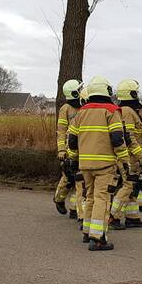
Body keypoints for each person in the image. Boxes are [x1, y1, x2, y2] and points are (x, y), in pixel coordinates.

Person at [66, 76, 130, 251]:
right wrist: (125, 161)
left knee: (90, 197)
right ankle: (98, 238)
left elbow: (71, 140)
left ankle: (87, 232)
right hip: (105, 165)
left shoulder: (80, 113)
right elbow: (118, 139)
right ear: (107, 91)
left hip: (85, 164)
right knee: (102, 198)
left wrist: (73, 159)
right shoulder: (111, 111)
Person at [109, 79, 142, 230]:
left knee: (132, 187)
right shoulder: (127, 112)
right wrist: (140, 155)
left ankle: (132, 217)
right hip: (130, 158)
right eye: (136, 92)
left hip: (134, 157)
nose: (138, 95)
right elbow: (129, 136)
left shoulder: (129, 111)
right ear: (131, 94)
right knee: (127, 186)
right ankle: (113, 216)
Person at [54, 79, 84, 220]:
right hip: (68, 149)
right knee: (68, 178)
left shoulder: (85, 105)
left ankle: (75, 209)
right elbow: (61, 131)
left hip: (82, 147)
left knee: (80, 180)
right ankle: (59, 198)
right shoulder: (65, 109)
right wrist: (61, 150)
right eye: (79, 89)